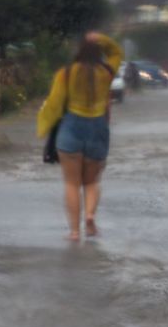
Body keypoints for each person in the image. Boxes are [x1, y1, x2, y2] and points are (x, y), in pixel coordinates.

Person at [37, 32, 123, 241]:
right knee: (92, 182)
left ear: (79, 51)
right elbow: (117, 52)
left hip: (71, 128)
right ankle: (90, 216)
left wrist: (43, 126)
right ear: (98, 52)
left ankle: (75, 232)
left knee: (71, 184)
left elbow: (54, 104)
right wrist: (101, 38)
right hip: (98, 128)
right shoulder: (107, 72)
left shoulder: (65, 74)